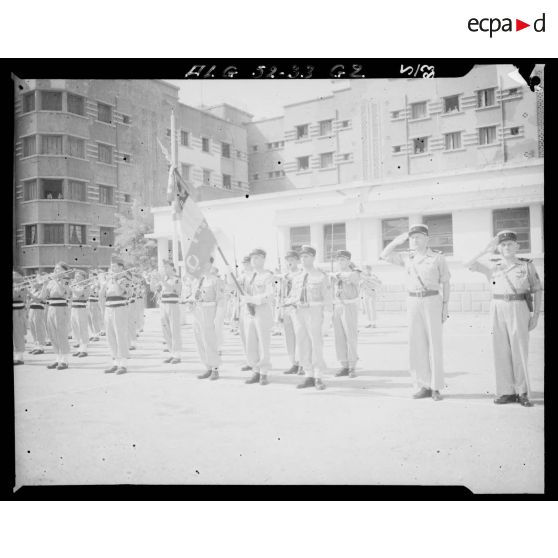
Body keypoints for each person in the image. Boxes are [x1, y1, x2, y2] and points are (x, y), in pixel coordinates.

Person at [465, 230, 543, 407]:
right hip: (497, 307)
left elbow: (537, 290)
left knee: (519, 350)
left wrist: (536, 316)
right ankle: (506, 391)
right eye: (503, 244)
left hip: (519, 307)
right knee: (500, 350)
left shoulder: (526, 266)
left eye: (510, 244)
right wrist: (485, 250)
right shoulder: (492, 266)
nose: (507, 247)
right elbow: (467, 263)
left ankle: (522, 392)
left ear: (517, 246)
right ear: (498, 248)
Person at [380, 224, 451, 401]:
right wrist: (397, 241)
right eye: (412, 237)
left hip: (432, 300)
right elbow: (384, 255)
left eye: (419, 236)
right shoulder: (407, 257)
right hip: (413, 301)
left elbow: (446, 283)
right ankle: (423, 385)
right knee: (417, 345)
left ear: (427, 239)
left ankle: (436, 387)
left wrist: (445, 307)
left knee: (434, 344)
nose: (415, 240)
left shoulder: (437, 258)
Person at [284, 245, 333, 390]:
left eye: (306, 256)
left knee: (316, 343)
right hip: (299, 312)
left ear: (313, 257)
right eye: (302, 257)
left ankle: (318, 376)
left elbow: (328, 299)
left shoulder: (321, 276)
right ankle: (308, 374)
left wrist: (327, 319)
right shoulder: (296, 276)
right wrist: (289, 305)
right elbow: (292, 295)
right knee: (302, 343)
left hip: (314, 311)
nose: (303, 259)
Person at [241, 248, 275, 385]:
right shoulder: (247, 276)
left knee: (263, 343)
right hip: (249, 312)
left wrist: (253, 299)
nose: (254, 261)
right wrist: (227, 273)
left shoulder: (268, 276)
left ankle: (264, 372)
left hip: (262, 311)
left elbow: (270, 295)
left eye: (257, 258)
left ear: (263, 259)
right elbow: (231, 286)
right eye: (252, 258)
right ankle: (255, 370)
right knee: (251, 342)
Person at [189, 257, 224, 380]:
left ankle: (215, 368)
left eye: (206, 263)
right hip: (198, 311)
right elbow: (194, 295)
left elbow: (220, 299)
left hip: (210, 311)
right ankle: (207, 367)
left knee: (209, 340)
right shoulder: (199, 280)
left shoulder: (216, 281)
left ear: (210, 264)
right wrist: (190, 301)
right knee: (199, 340)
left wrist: (218, 317)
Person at [331, 250, 361, 377]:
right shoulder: (337, 273)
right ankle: (344, 365)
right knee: (339, 337)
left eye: (343, 259)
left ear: (349, 260)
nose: (340, 262)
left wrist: (334, 275)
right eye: (338, 260)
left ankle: (352, 366)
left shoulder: (354, 273)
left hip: (349, 306)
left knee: (350, 336)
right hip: (338, 306)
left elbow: (348, 277)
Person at [99, 258, 131, 374]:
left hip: (119, 308)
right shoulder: (109, 280)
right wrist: (103, 283)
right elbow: (101, 295)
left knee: (120, 336)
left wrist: (115, 280)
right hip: (109, 308)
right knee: (111, 336)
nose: (112, 269)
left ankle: (123, 364)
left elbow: (118, 292)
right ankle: (115, 362)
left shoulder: (124, 279)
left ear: (121, 268)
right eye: (111, 267)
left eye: (115, 267)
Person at [40, 262, 73, 370]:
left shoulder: (66, 280)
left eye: (58, 269)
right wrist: (45, 284)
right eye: (55, 269)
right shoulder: (50, 282)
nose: (56, 270)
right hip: (51, 308)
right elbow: (43, 297)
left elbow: (62, 292)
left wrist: (55, 280)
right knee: (53, 334)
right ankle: (58, 358)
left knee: (61, 334)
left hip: (61, 308)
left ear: (64, 270)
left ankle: (65, 360)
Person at [151, 260, 182, 364]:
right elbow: (153, 289)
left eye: (167, 267)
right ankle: (171, 353)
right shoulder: (164, 279)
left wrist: (162, 281)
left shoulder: (176, 279)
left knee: (174, 329)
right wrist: (153, 279)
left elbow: (175, 291)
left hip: (173, 305)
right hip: (163, 304)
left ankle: (177, 355)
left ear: (172, 268)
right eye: (164, 268)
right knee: (166, 329)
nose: (165, 269)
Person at [281, 250, 303, 375]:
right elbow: (277, 288)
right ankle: (293, 362)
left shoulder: (301, 274)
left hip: (297, 307)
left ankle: (302, 363)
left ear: (297, 261)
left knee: (300, 335)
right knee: (289, 337)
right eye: (288, 260)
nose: (290, 262)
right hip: (286, 307)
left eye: (292, 260)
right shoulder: (284, 276)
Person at [238, 255, 253, 372]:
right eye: (244, 263)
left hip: (254, 308)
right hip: (243, 307)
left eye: (247, 263)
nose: (245, 265)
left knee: (253, 336)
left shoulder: (256, 275)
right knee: (244, 335)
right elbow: (232, 286)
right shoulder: (242, 276)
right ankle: (249, 361)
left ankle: (256, 361)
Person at [70, 269, 91, 357]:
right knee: (75, 329)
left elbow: (78, 294)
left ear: (83, 277)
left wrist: (71, 287)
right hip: (74, 307)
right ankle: (79, 347)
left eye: (78, 276)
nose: (76, 278)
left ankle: (84, 349)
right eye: (75, 276)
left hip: (81, 308)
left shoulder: (86, 285)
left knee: (82, 329)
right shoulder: (76, 285)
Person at [28, 274, 48, 355]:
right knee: (32, 327)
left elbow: (39, 299)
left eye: (36, 281)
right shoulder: (33, 289)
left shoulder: (43, 289)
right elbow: (29, 300)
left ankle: (41, 346)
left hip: (39, 308)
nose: (33, 283)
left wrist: (29, 294)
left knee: (38, 327)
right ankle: (36, 345)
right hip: (32, 309)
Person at [13, 271, 28, 365]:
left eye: (14, 274)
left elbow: (18, 296)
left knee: (18, 334)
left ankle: (19, 357)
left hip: (17, 311)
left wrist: (15, 288)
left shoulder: (22, 285)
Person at [87, 270, 103, 341]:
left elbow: (96, 293)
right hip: (88, 302)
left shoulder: (97, 284)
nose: (90, 277)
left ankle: (96, 334)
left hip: (94, 301)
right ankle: (92, 334)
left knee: (94, 319)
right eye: (89, 276)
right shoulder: (88, 283)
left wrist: (92, 288)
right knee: (89, 319)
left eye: (92, 276)